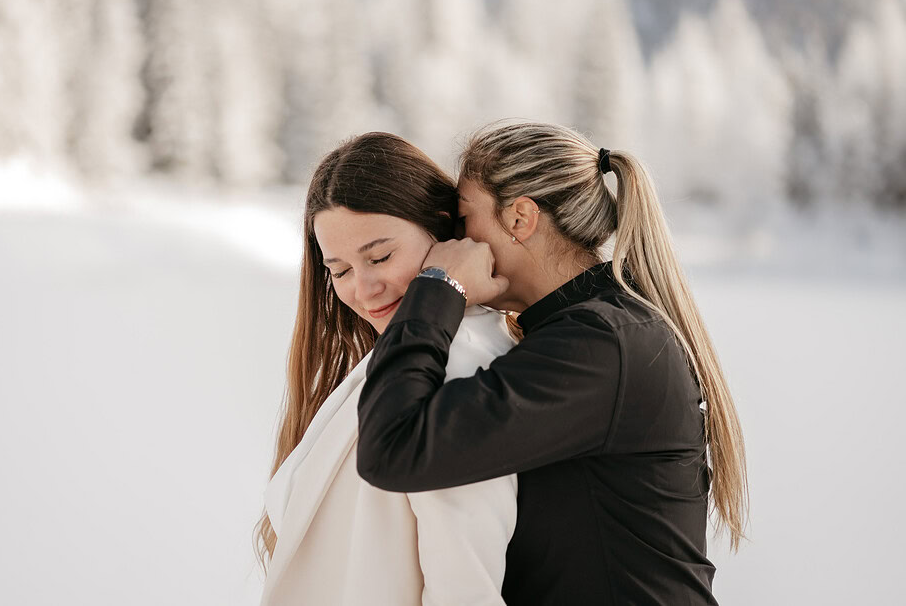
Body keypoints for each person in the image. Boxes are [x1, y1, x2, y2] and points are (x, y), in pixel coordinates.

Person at [357, 121, 748, 605]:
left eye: (463, 221)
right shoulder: (592, 333)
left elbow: (394, 447)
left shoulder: (601, 346)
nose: (454, 242)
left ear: (520, 217)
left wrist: (439, 287)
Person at [256, 132, 518, 606]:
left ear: (441, 232)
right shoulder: (403, 358)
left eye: (380, 257)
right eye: (339, 270)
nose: (365, 288)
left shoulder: (457, 366)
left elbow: (465, 588)